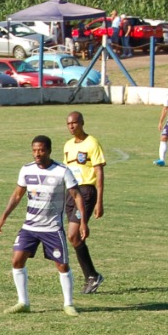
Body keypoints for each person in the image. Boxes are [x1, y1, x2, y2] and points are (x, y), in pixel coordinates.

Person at [0, 135, 85, 316]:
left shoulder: (62, 171)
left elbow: (77, 196)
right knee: (17, 260)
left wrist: (82, 221)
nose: (37, 154)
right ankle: (23, 302)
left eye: (41, 150)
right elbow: (17, 195)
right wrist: (3, 216)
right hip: (30, 227)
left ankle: (68, 304)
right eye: (34, 150)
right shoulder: (26, 170)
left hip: (52, 228)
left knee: (62, 266)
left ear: (49, 151)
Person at [63, 112, 106, 294]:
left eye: (74, 123)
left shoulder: (92, 143)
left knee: (73, 234)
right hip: (71, 193)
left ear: (82, 123)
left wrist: (99, 201)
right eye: (68, 124)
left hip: (86, 192)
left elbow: (99, 173)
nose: (71, 126)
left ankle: (92, 276)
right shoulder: (68, 145)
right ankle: (92, 276)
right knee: (75, 238)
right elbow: (65, 172)